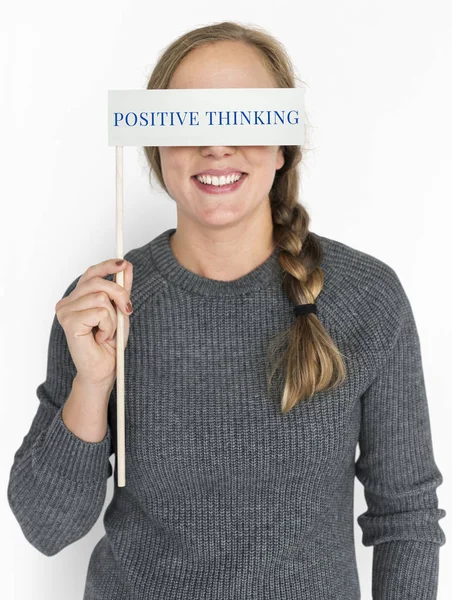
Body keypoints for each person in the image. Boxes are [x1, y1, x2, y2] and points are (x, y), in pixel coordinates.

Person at [7, 21, 446, 600]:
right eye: (188, 119)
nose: (216, 145)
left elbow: (405, 518)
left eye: (245, 116)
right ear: (155, 143)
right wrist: (93, 383)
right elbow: (45, 527)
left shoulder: (366, 296)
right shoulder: (102, 304)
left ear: (285, 143)